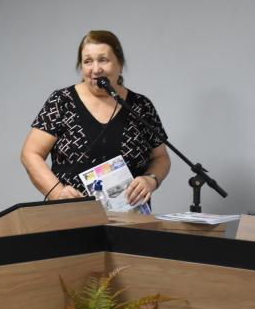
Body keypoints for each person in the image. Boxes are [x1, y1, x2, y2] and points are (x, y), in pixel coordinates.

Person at [20, 30, 171, 207]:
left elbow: (161, 157)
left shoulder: (141, 106)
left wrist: (151, 179)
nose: (96, 69)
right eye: (88, 61)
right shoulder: (62, 102)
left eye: (103, 60)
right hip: (72, 214)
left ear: (120, 65)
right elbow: (30, 154)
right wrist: (57, 192)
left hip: (131, 217)